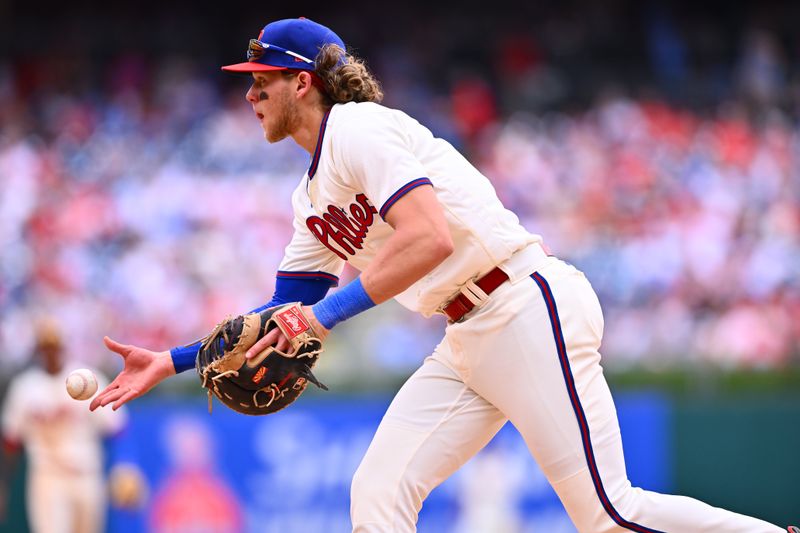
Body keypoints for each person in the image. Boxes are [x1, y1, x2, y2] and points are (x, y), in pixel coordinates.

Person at [89, 17, 794, 533]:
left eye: (261, 81)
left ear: (302, 81)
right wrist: (176, 359)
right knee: (379, 491)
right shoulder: (307, 200)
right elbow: (284, 309)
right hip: (466, 337)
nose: (250, 96)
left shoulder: (359, 128)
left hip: (519, 300)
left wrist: (324, 317)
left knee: (608, 512)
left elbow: (430, 236)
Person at [1, 318, 128, 533]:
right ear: (39, 351)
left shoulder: (90, 378)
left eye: (55, 346)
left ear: (64, 347)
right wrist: (3, 483)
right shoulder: (25, 388)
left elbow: (117, 428)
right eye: (46, 348)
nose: (51, 353)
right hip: (48, 479)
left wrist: (125, 466)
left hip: (87, 475)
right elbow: (11, 442)